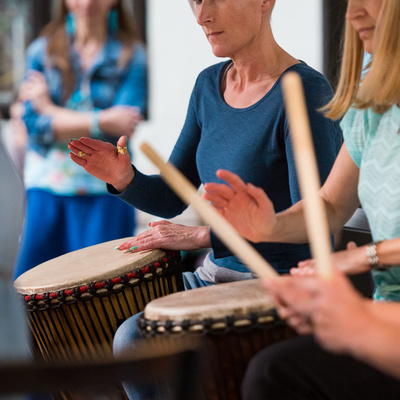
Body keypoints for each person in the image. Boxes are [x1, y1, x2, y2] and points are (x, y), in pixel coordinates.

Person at [69, 0, 341, 397]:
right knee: (105, 330)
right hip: (213, 276)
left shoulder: (305, 91)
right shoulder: (208, 85)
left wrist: (200, 237)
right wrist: (124, 178)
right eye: (194, 1)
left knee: (135, 339)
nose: (202, 15)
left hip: (275, 286)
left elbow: (314, 235)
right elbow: (170, 196)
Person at [202, 0, 400, 397]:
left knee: (273, 375)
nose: (352, 14)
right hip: (386, 311)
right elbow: (328, 204)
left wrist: (365, 257)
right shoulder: (376, 93)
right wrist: (271, 225)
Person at [13, 0, 147, 280]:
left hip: (106, 192)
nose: (87, 3)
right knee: (33, 291)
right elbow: (34, 125)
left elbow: (121, 129)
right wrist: (102, 119)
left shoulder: (132, 54)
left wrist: (49, 109)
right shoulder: (42, 50)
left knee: (102, 295)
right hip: (48, 190)